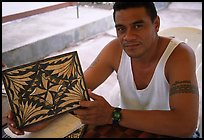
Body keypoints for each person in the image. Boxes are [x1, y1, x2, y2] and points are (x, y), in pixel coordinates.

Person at [6, 2, 199, 138]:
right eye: (121, 29)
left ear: (156, 24)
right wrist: (40, 117)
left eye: (137, 26)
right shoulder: (115, 49)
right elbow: (75, 91)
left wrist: (113, 115)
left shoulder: (179, 55)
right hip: (128, 127)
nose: (128, 37)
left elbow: (185, 126)